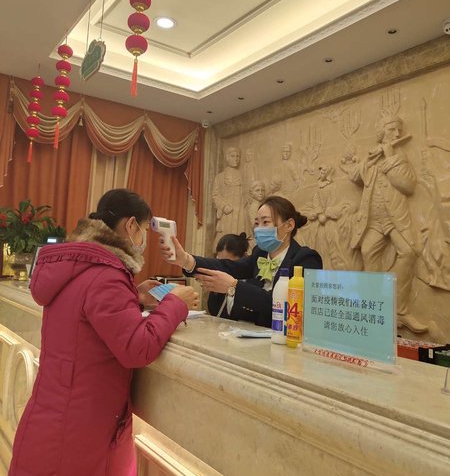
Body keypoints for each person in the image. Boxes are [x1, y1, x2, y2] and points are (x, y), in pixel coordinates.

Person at [7, 189, 199, 476]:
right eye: (144, 230)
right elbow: (137, 348)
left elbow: (87, 310)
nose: (144, 240)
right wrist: (175, 304)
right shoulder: (107, 275)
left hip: (57, 415)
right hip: (83, 427)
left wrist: (133, 297)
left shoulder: (82, 264)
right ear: (131, 225)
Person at [160, 196, 322, 328]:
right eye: (256, 223)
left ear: (289, 225)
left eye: (266, 222)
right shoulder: (260, 254)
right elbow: (228, 266)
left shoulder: (306, 259)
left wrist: (234, 287)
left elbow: (288, 307)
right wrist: (187, 260)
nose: (259, 229)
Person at [342, 113, 427, 333]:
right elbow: (354, 177)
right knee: (368, 251)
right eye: (392, 129)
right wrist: (369, 160)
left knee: (408, 252)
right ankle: (375, 308)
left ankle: (400, 310)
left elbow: (407, 185)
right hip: (373, 220)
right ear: (381, 132)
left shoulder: (399, 156)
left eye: (399, 130)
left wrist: (390, 157)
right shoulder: (373, 155)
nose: (397, 134)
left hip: (394, 219)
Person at [209, 232, 250, 318]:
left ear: (244, 257)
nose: (222, 268)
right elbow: (214, 311)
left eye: (227, 263)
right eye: (219, 262)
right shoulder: (219, 278)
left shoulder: (250, 283)